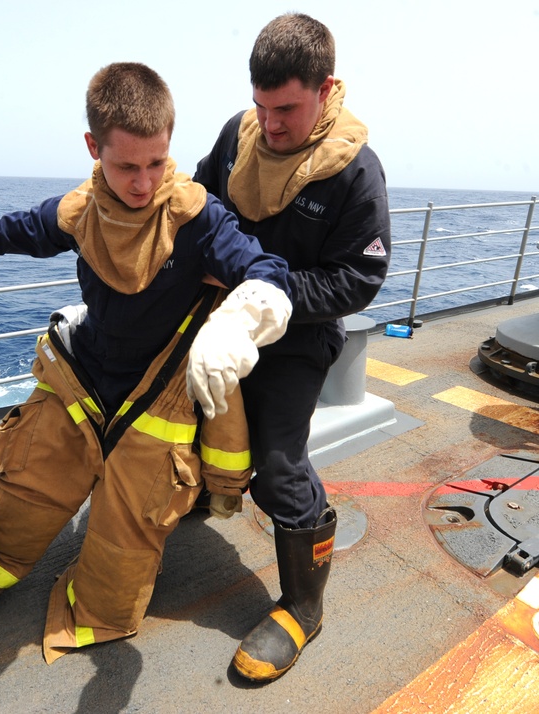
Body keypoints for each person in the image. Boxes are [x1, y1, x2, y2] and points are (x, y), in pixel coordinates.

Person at [0, 61, 292, 709]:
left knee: (113, 586)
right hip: (82, 383)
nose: (145, 183)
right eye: (127, 167)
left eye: (157, 162)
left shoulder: (196, 218)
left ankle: (94, 597)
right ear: (94, 149)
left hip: (154, 400)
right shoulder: (76, 212)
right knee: (9, 518)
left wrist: (240, 322)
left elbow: (266, 273)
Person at [192, 13, 391, 682]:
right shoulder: (236, 137)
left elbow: (358, 278)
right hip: (217, 320)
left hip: (296, 339)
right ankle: (195, 496)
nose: (270, 125)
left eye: (286, 110)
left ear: (326, 88)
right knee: (175, 413)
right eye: (260, 107)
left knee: (278, 466)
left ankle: (304, 606)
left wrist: (263, 297)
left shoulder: (356, 173)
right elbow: (194, 204)